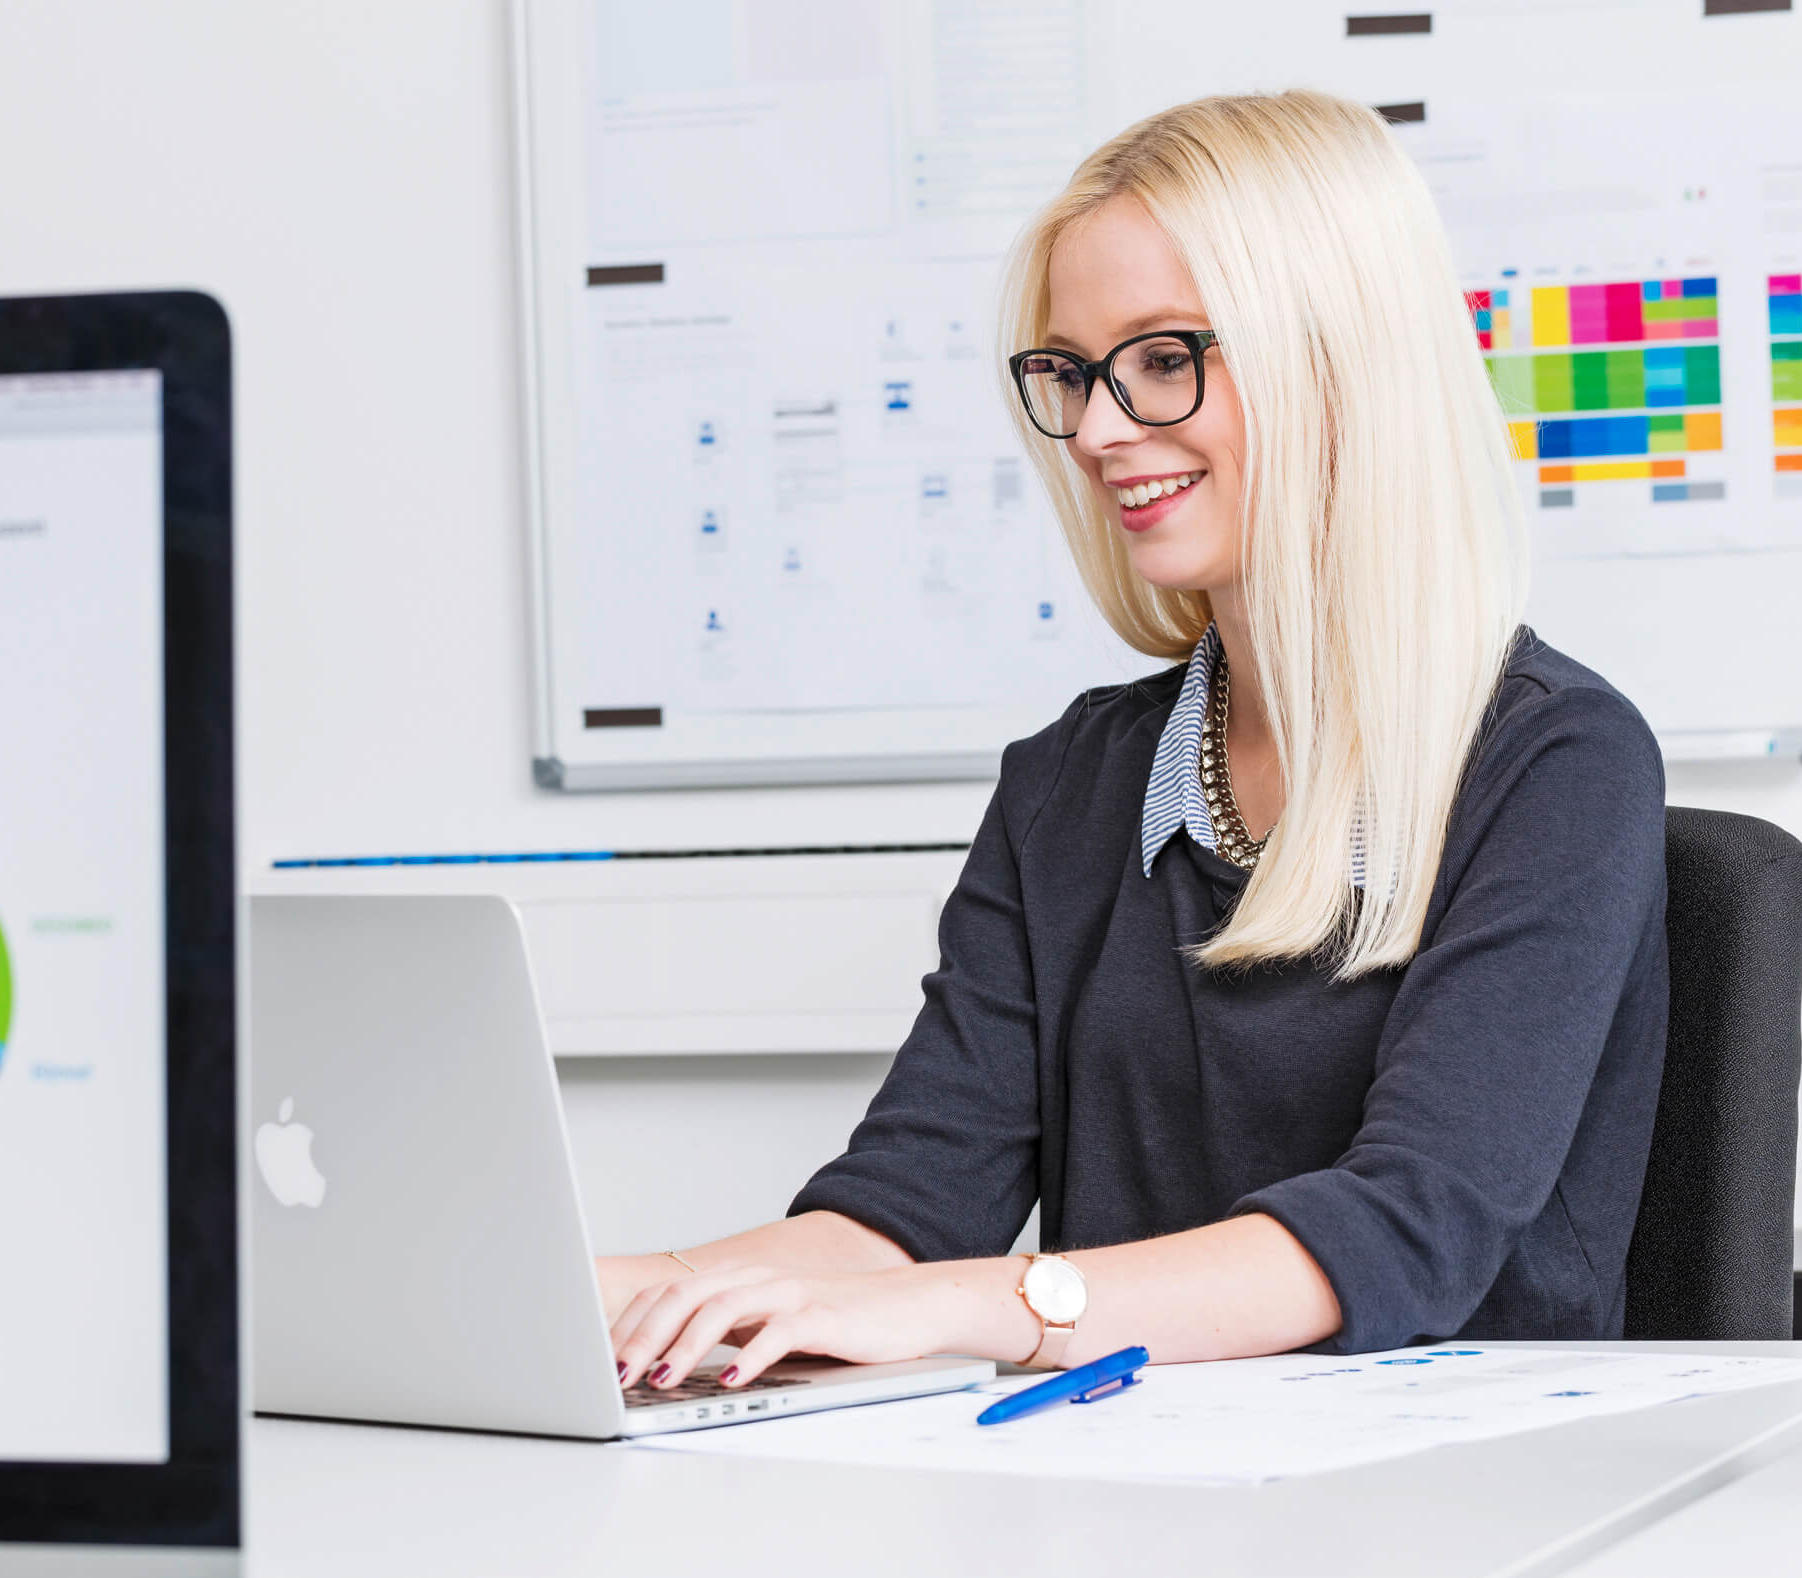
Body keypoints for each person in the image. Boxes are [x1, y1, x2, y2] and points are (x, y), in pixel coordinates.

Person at [599, 90, 1667, 1393]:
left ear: (1335, 364)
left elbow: (1404, 1234)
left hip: (1446, 1521)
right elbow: (901, 1210)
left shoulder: (1554, 766)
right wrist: (626, 1292)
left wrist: (981, 1304)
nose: (1101, 430)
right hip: (1125, 1508)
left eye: (1163, 360)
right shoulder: (1070, 787)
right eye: (1072, 372)